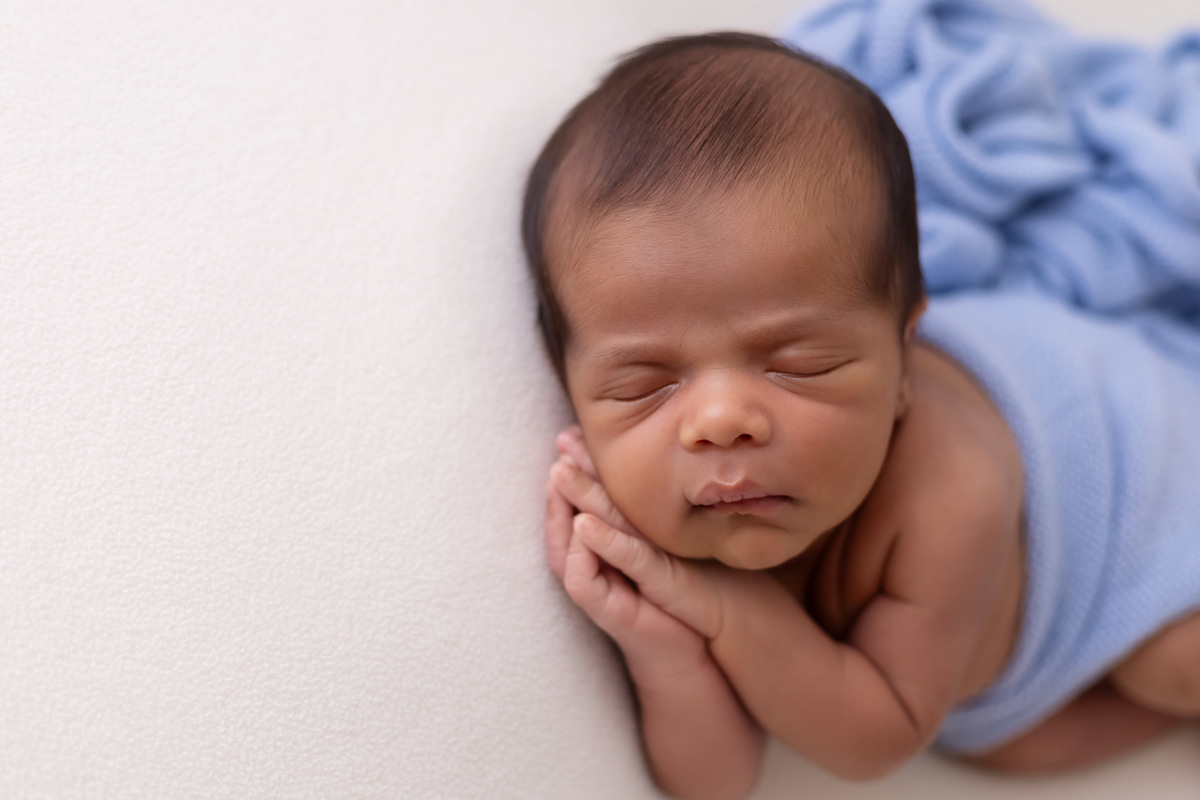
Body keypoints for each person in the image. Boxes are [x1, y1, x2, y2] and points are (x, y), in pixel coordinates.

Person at [522, 32, 1200, 800]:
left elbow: (881, 735)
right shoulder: (671, 498)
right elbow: (715, 785)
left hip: (1152, 491)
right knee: (1008, 743)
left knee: (1170, 665)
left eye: (797, 364)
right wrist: (663, 649)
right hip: (996, 657)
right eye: (645, 385)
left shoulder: (951, 491)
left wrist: (721, 606)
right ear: (569, 386)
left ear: (903, 364)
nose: (719, 420)